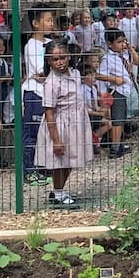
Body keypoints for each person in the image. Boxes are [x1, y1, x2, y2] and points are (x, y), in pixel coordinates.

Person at [36, 39, 94, 206]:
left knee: (70, 159)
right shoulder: (52, 82)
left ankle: (58, 191)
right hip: (60, 123)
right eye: (55, 59)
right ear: (49, 61)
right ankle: (58, 192)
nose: (60, 62)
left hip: (76, 122)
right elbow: (49, 111)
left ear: (69, 56)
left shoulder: (75, 73)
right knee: (59, 161)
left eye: (63, 57)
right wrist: (56, 139)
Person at [21, 5, 55, 186]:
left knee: (45, 133)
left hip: (47, 93)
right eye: (48, 20)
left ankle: (41, 167)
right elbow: (40, 73)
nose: (52, 23)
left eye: (52, 20)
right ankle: (28, 171)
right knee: (32, 134)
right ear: (35, 23)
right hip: (34, 94)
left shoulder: (49, 43)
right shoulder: (31, 45)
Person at [95, 28, 139, 159]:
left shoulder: (125, 54)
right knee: (117, 121)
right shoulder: (107, 58)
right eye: (119, 42)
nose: (123, 44)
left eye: (124, 41)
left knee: (123, 119)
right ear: (110, 44)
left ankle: (118, 143)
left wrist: (131, 49)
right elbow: (98, 75)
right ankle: (115, 148)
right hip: (117, 90)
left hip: (127, 89)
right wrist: (114, 79)